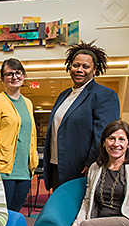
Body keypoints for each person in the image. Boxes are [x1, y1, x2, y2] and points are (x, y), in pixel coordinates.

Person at [44, 40, 120, 191]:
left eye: (86, 67)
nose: (80, 70)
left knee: (79, 211)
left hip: (81, 169)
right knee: (61, 209)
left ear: (94, 69)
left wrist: (92, 163)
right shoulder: (64, 95)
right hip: (57, 166)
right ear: (70, 66)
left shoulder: (104, 95)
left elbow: (104, 135)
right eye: (76, 65)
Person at [0, 58, 38, 212]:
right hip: (3, 170)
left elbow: (31, 135)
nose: (14, 77)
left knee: (15, 213)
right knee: (1, 214)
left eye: (18, 73)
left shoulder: (28, 103)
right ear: (2, 79)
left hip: (25, 171)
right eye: (9, 74)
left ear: (24, 75)